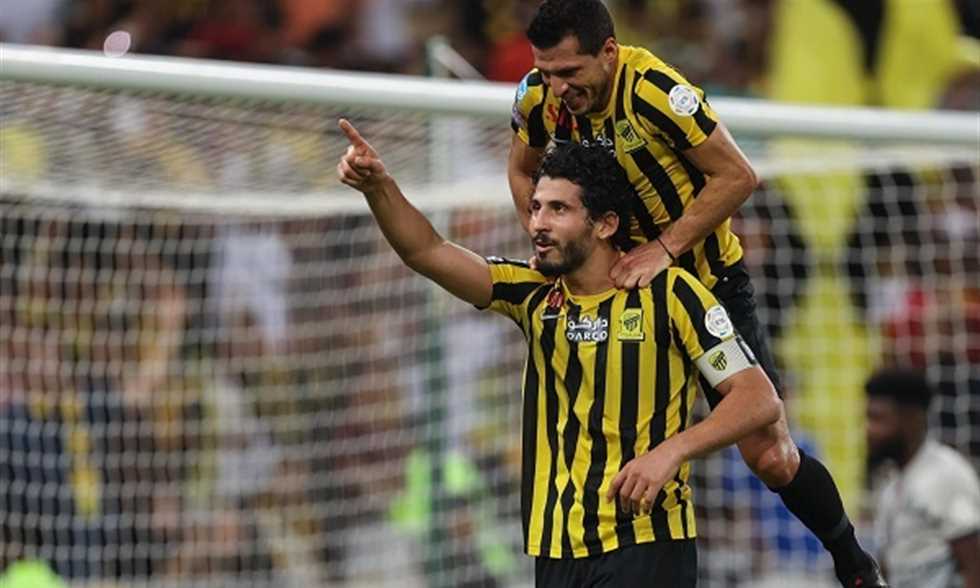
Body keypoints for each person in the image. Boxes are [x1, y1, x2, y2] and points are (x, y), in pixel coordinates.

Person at [506, 1, 885, 586]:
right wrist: (544, 240)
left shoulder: (656, 92)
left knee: (769, 455)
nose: (557, 87)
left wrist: (664, 248)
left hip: (704, 287)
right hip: (621, 298)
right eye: (547, 72)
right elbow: (521, 169)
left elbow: (738, 174)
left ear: (608, 52)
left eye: (570, 73)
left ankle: (853, 561)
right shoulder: (537, 97)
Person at [337, 120, 783, 587]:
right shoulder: (532, 293)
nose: (538, 224)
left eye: (559, 209)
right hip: (555, 547)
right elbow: (426, 251)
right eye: (535, 208)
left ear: (605, 223)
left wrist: (670, 453)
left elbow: (758, 399)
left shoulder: (670, 294)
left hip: (646, 540)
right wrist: (379, 188)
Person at [865, 367, 980, 588]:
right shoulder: (892, 484)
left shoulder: (945, 475)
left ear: (911, 419)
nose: (869, 430)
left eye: (878, 419)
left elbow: (974, 567)